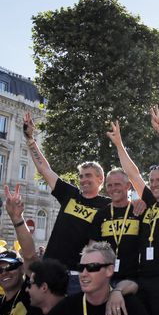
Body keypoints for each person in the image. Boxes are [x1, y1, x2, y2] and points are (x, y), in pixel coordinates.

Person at [106, 114, 159, 315]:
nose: (155, 184)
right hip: (142, 279)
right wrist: (119, 144)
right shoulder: (150, 201)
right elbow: (133, 174)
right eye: (152, 180)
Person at [23, 113, 111, 294]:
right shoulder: (70, 194)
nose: (83, 180)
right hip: (49, 269)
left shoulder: (107, 205)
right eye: (81, 176)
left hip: (76, 276)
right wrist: (31, 139)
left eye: (88, 175)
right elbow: (44, 169)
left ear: (100, 179)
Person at [45, 242, 147, 315]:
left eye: (92, 267)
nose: (83, 274)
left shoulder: (128, 307)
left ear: (109, 270)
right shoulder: (67, 307)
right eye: (81, 267)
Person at [89, 168, 142, 282]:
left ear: (128, 185)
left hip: (134, 278)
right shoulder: (101, 214)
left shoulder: (138, 211)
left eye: (117, 184)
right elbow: (93, 246)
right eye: (109, 185)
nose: (113, 189)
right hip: (106, 278)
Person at [0, 184, 43, 315]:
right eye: (0, 270)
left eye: (10, 266)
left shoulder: (29, 295)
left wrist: (17, 219)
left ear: (22, 269)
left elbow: (29, 255)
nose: (4, 272)